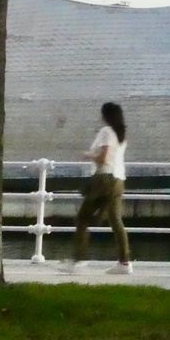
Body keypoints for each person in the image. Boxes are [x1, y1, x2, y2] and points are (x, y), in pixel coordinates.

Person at [69, 102, 132, 275]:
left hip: (104, 178)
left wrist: (88, 155)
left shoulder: (106, 132)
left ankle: (79, 261)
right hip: (119, 180)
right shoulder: (121, 135)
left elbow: (103, 158)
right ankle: (124, 262)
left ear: (106, 115)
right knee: (116, 220)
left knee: (82, 218)